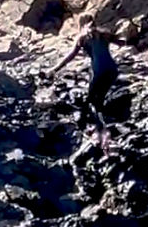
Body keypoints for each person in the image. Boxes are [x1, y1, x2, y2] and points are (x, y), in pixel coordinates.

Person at [50, 15, 126, 150]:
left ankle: (99, 133)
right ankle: (106, 129)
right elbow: (122, 42)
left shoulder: (83, 38)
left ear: (80, 25)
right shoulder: (104, 34)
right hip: (112, 70)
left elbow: (70, 57)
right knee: (99, 99)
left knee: (92, 103)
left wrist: (54, 69)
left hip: (99, 72)